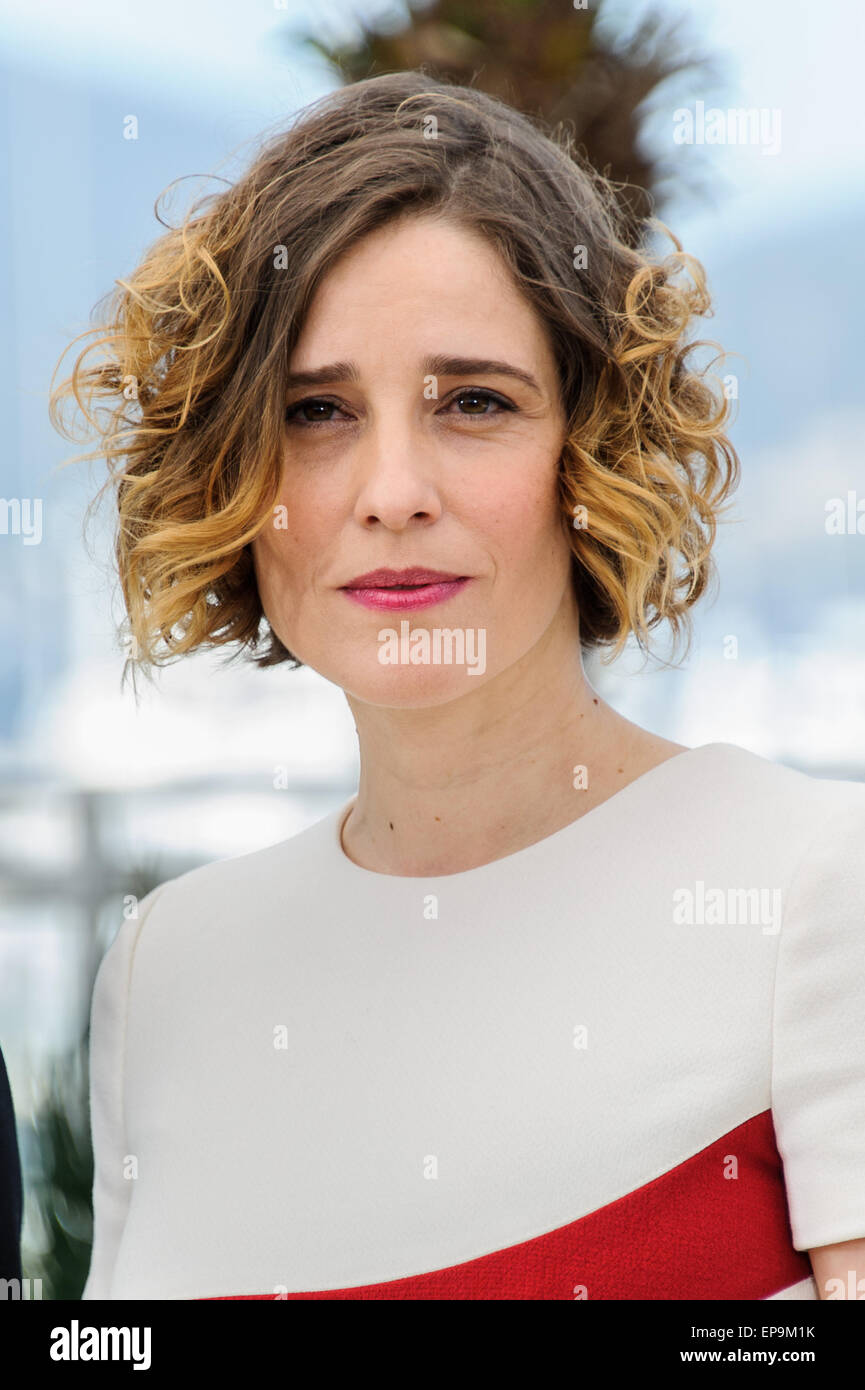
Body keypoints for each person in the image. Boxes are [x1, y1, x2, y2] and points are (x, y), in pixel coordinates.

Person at [50, 71, 865, 1301]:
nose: (391, 490)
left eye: (474, 402)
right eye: (315, 410)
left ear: (589, 455)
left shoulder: (815, 889)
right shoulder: (164, 967)